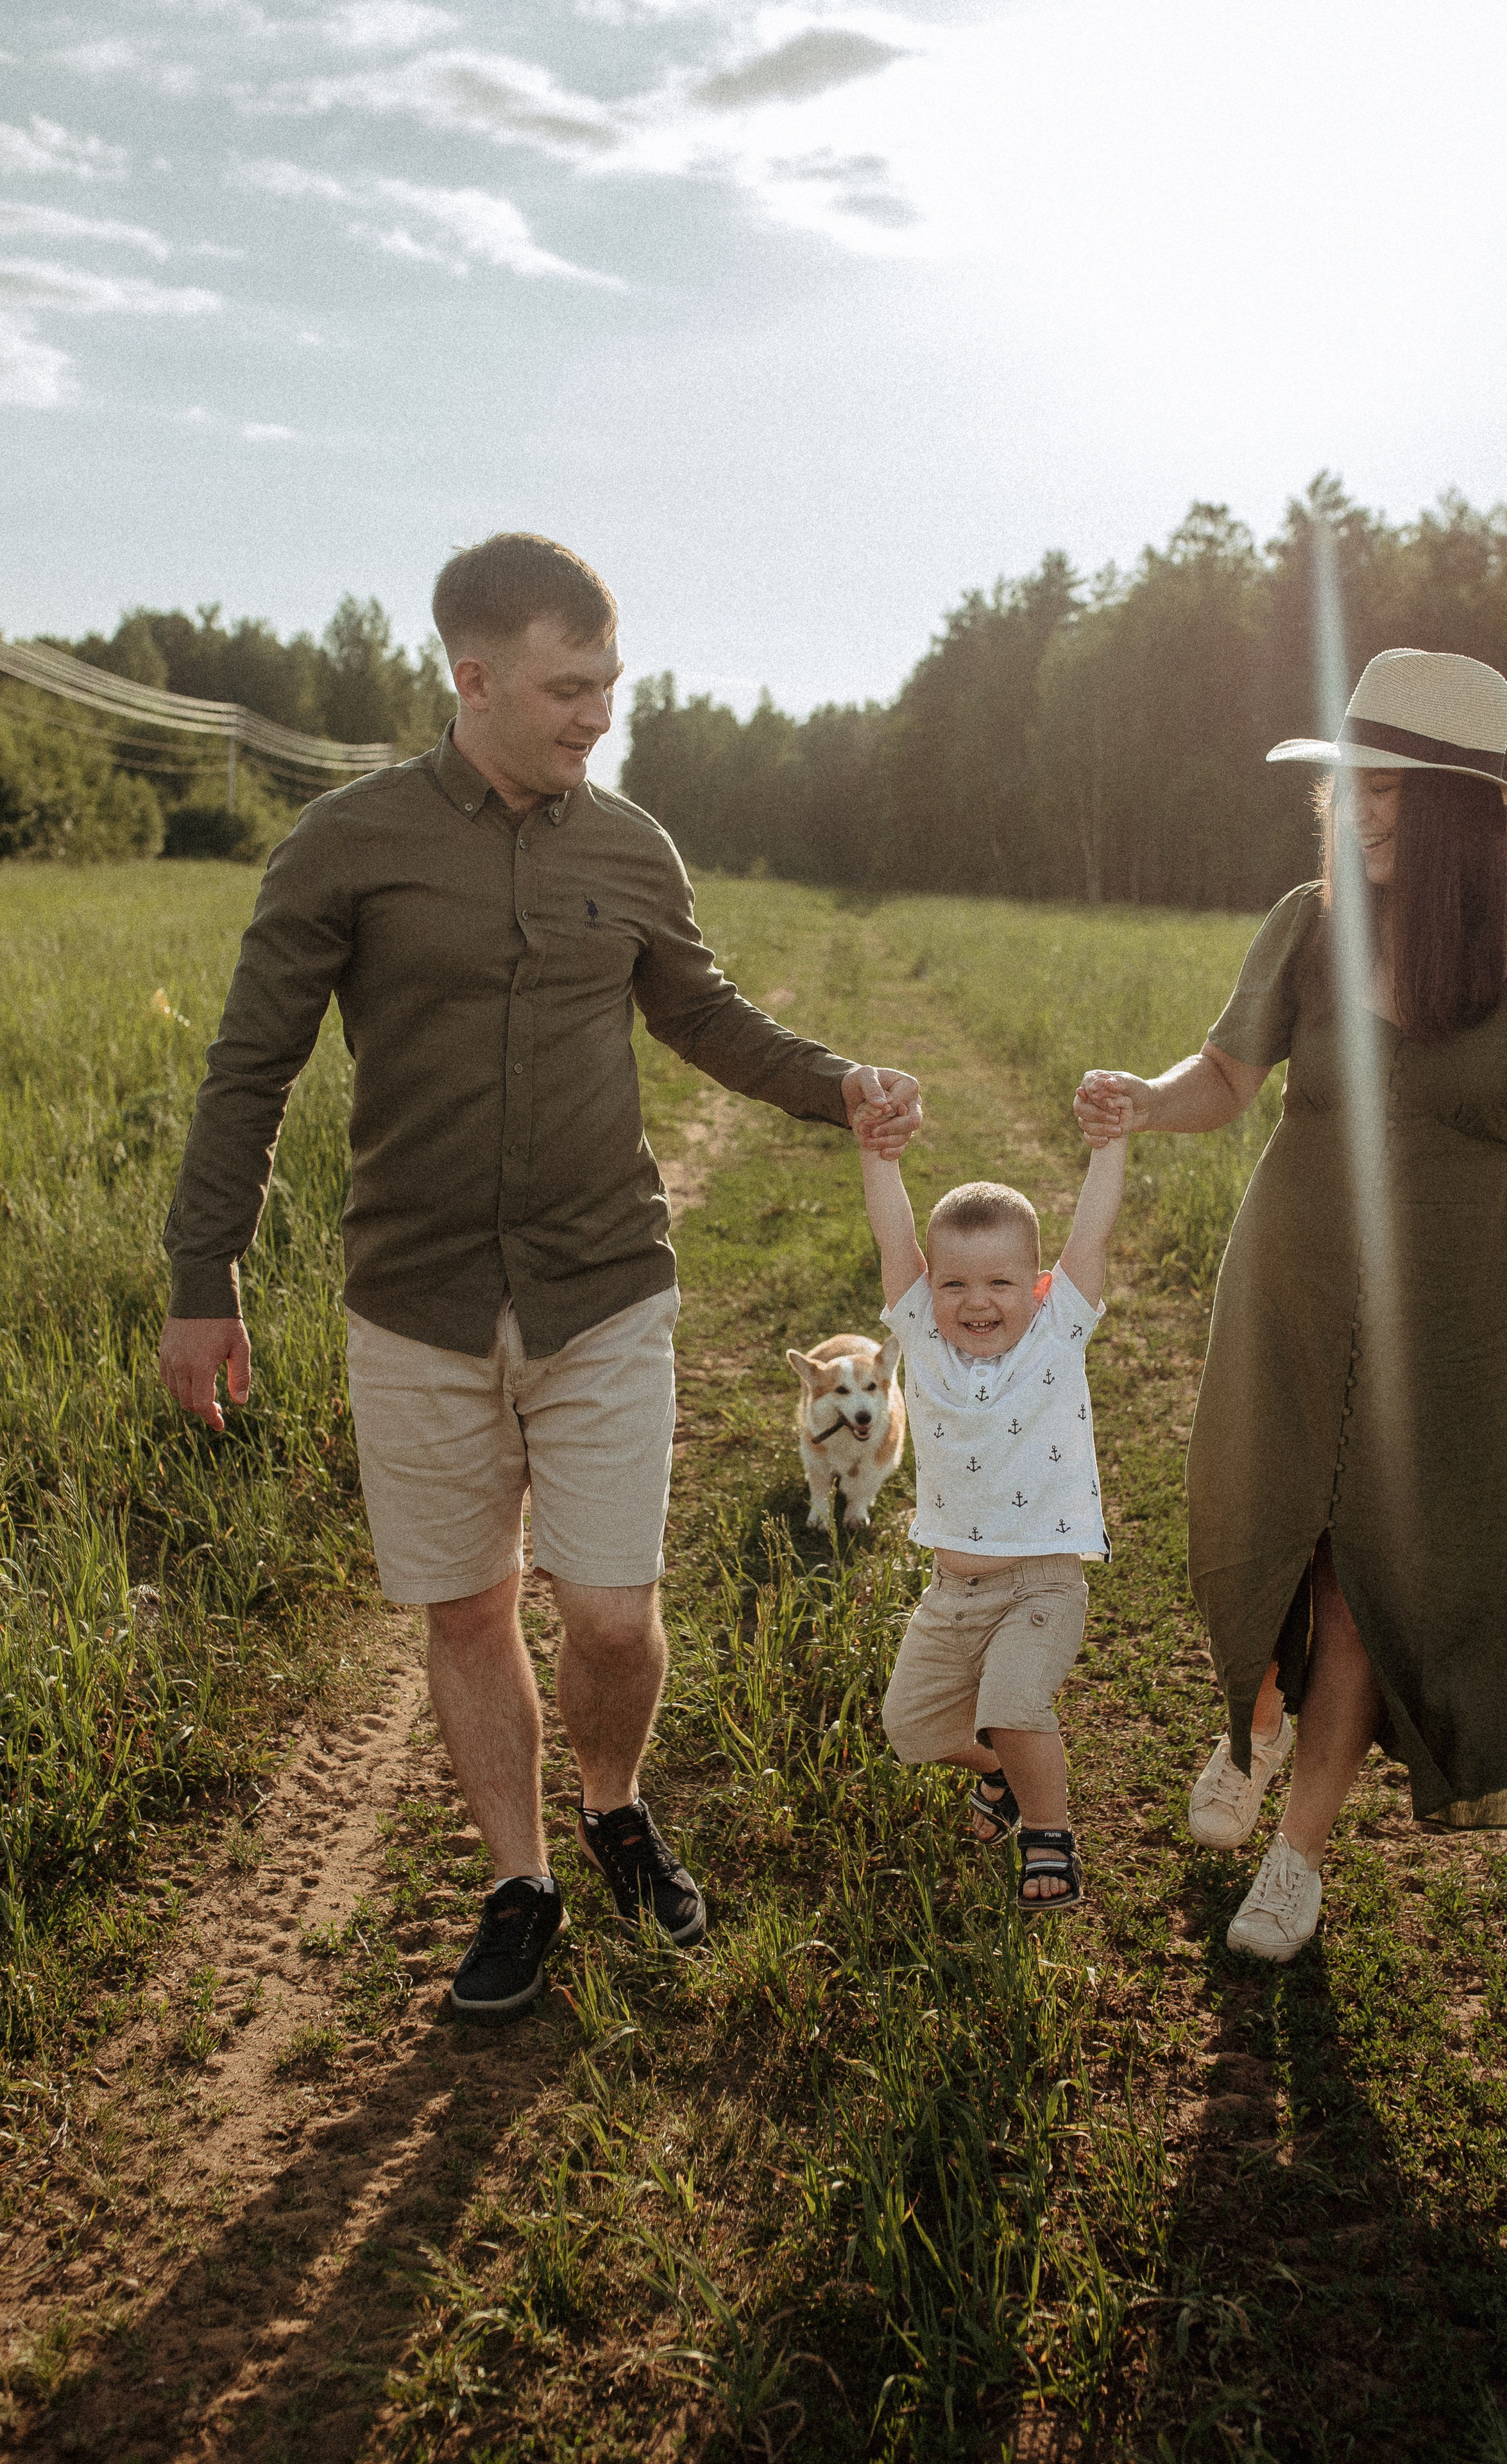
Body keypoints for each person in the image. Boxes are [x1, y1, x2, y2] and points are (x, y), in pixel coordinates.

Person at [158, 532, 921, 2017]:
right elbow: (248, 1068)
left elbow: (701, 1015)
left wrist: (837, 1085)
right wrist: (205, 1275)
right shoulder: (345, 844)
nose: (597, 715)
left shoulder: (630, 846)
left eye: (609, 686)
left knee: (614, 1612)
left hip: (601, 1287)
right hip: (417, 1300)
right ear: (476, 676)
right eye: (569, 688)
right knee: (463, 1607)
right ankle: (521, 1878)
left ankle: (614, 1802)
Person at [1077, 647, 1507, 1961]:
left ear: (1458, 811)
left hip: (1445, 1319)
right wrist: (1146, 1100)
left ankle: (1297, 1854)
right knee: (1264, 1517)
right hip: (1290, 1271)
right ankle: (1249, 1730)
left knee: (1374, 1575)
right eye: (1345, 786)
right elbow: (1224, 1074)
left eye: (1385, 791)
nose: (1353, 811)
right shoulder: (1306, 921)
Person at [857, 1117, 1128, 1911]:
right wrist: (878, 1152)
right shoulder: (919, 1337)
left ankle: (1050, 1831)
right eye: (954, 1284)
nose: (976, 1302)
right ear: (927, 1286)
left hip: (1040, 1585)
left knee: (1013, 1707)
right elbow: (892, 1234)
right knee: (912, 1729)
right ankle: (1001, 1775)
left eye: (1000, 1283)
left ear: (1038, 1285)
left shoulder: (1057, 1336)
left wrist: (1109, 1143)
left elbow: (1091, 1230)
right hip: (950, 1595)